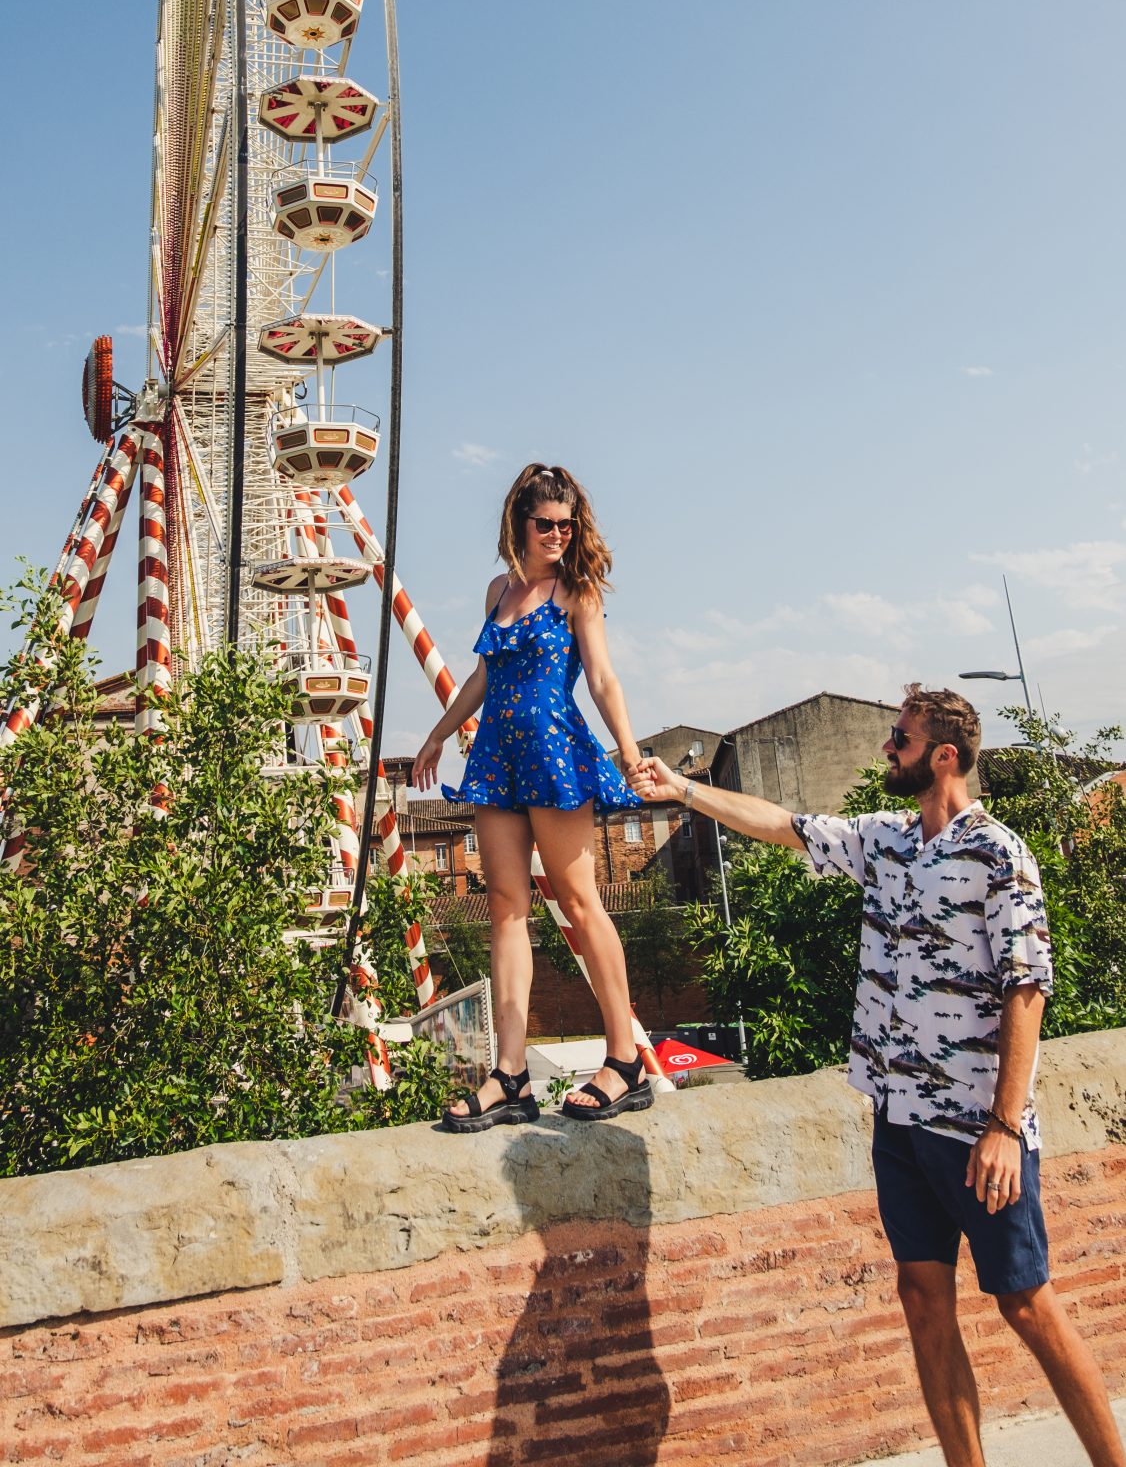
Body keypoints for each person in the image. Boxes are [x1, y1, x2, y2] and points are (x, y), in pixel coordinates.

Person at [630, 684, 1126, 1467]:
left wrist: (1003, 1126)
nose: (887, 749)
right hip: (897, 1119)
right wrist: (682, 788)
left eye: (900, 739)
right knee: (923, 1301)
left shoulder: (999, 853)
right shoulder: (886, 840)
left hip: (973, 1128)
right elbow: (785, 827)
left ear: (944, 757)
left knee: (1025, 1303)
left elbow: (1026, 990)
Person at [412, 463, 652, 1128]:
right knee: (507, 909)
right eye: (545, 524)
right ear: (520, 522)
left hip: (554, 753)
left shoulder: (578, 591)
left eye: (566, 525)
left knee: (579, 902)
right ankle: (510, 1074)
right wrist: (436, 735)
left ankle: (625, 1060)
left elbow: (603, 679)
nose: (556, 535)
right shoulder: (499, 588)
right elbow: (485, 675)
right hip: (497, 754)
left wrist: (629, 754)